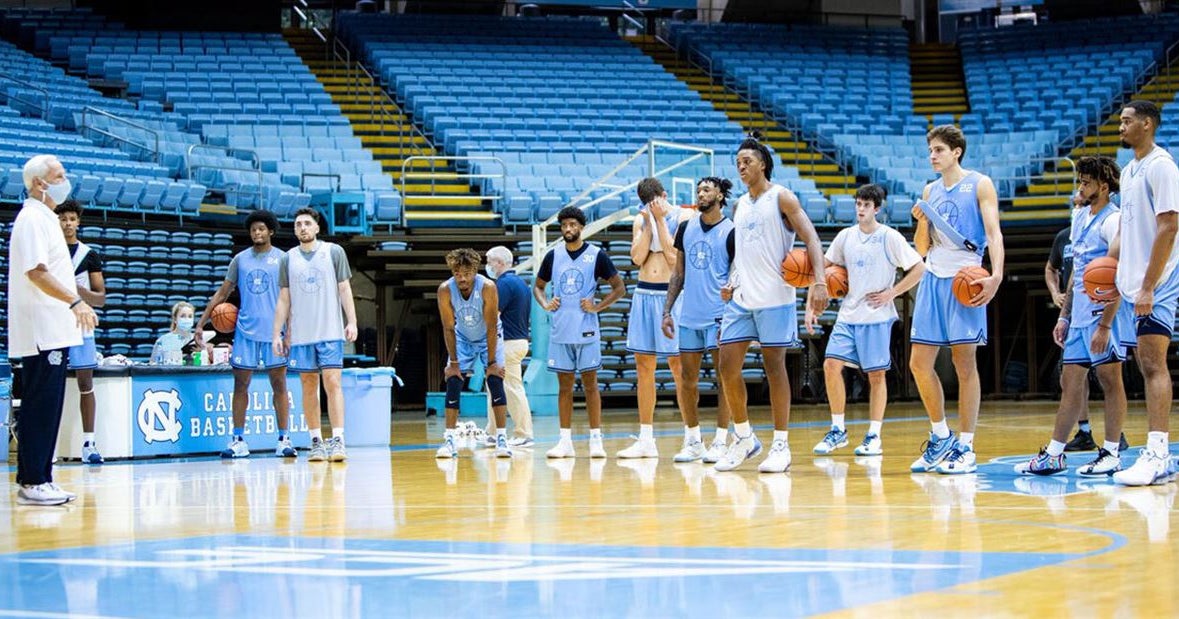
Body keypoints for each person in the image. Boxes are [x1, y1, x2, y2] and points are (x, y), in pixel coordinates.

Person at [713, 135, 829, 473]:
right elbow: (742, 253)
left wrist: (819, 281)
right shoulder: (740, 206)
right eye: (737, 163)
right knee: (726, 367)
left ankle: (781, 445)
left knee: (774, 368)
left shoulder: (782, 197)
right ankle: (745, 437)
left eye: (747, 161)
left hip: (775, 299)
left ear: (763, 163)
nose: (741, 167)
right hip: (741, 299)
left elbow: (810, 238)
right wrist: (731, 282)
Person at [1016, 156, 1130, 476]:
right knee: (1070, 383)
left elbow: (1118, 275)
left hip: (1104, 314)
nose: (1079, 187)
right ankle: (1054, 454)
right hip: (1079, 314)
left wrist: (1105, 325)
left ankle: (1109, 452)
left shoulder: (1114, 220)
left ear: (1103, 187)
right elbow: (1078, 271)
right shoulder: (1079, 217)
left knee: (1110, 380)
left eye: (1085, 182)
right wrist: (1064, 316)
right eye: (1079, 181)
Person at [908, 124, 1005, 475]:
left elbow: (994, 234)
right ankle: (941, 436)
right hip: (933, 278)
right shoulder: (929, 190)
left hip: (966, 278)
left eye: (938, 150)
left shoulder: (980, 183)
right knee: (918, 364)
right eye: (930, 151)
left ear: (956, 152)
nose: (932, 156)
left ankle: (966, 445)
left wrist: (995, 276)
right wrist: (920, 222)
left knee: (965, 365)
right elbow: (921, 248)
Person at [8, 154, 97, 505]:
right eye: (59, 175)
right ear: (39, 183)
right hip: (42, 329)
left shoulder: (46, 218)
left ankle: (40, 476)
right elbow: (37, 271)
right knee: (41, 405)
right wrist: (76, 302)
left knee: (47, 404)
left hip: (55, 328)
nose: (66, 180)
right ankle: (33, 480)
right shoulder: (32, 218)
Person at [813, 184, 924, 457]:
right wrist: (811, 299)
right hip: (848, 314)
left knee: (876, 376)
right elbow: (823, 269)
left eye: (866, 205)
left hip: (876, 316)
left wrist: (892, 293)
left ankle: (874, 435)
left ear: (877, 209)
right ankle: (837, 429)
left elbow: (919, 267)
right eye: (858, 204)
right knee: (830, 365)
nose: (860, 209)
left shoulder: (890, 237)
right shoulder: (845, 236)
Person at [1110, 100, 1179, 486]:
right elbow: (1128, 232)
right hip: (1134, 282)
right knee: (1144, 365)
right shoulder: (1130, 170)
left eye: (1127, 121)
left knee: (1154, 364)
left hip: (1159, 281)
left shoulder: (1162, 167)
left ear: (1147, 124)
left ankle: (1157, 453)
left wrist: (1149, 286)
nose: (1120, 126)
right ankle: (1158, 452)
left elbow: (1169, 227)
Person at [194, 210, 294, 459]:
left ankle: (284, 439)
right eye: (253, 229)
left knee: (279, 385)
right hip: (245, 332)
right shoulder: (240, 260)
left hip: (275, 332)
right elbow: (222, 293)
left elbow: (290, 298)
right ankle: (238, 439)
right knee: (241, 385)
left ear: (271, 231)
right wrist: (201, 323)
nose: (257, 233)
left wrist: (290, 331)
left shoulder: (283, 259)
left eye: (262, 229)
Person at [534, 206, 626, 458]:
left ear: (581, 227)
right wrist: (545, 303)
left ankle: (596, 440)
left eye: (572, 225)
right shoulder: (553, 255)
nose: (568, 229)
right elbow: (538, 287)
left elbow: (619, 288)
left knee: (590, 386)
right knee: (564, 388)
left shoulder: (597, 255)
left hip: (586, 331)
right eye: (564, 225)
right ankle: (565, 441)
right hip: (561, 331)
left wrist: (598, 306)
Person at [272, 207, 358, 463]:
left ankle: (339, 439)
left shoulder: (333, 252)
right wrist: (277, 333)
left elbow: (345, 289)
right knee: (309, 387)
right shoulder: (287, 258)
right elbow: (284, 299)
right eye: (298, 224)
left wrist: (352, 321)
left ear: (317, 228)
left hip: (330, 331)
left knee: (333, 384)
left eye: (307, 223)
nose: (302, 227)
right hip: (301, 335)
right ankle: (316, 441)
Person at [661, 176, 735, 463]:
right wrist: (667, 311)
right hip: (689, 315)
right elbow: (678, 272)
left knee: (724, 380)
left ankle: (720, 439)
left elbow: (736, 274)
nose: (701, 193)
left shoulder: (731, 231)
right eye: (699, 189)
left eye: (707, 189)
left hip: (719, 316)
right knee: (687, 379)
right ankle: (693, 440)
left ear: (720, 195)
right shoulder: (685, 228)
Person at [618, 177, 687, 459]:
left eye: (655, 201)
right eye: (646, 204)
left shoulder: (683, 218)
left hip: (671, 296)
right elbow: (637, 257)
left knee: (678, 367)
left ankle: (690, 436)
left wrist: (659, 221)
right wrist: (648, 223)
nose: (651, 206)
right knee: (643, 367)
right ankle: (646, 439)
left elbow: (673, 258)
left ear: (664, 195)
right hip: (644, 293)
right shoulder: (640, 219)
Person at [434, 248, 512, 459]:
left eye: (467, 274)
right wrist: (454, 362)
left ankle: (501, 439)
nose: (462, 278)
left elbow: (491, 326)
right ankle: (449, 440)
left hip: (489, 335)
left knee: (495, 379)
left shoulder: (487, 287)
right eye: (457, 274)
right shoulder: (445, 290)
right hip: (462, 337)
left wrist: (492, 362)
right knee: (453, 379)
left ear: (475, 271)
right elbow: (448, 328)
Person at [56, 199, 106, 464]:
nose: (67, 224)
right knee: (51, 385)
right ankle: (50, 445)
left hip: (81, 325)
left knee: (86, 384)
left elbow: (100, 298)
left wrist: (81, 293)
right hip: (53, 324)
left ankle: (89, 442)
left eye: (71, 219)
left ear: (78, 222)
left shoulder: (88, 254)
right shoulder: (50, 251)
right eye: (63, 219)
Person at [483, 245, 534, 447]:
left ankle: (523, 433)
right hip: (517, 341)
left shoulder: (503, 285)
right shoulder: (520, 283)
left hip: (508, 343)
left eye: (489, 262)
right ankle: (493, 432)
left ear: (500, 263)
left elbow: (493, 315)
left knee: (512, 387)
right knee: (494, 386)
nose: (488, 266)